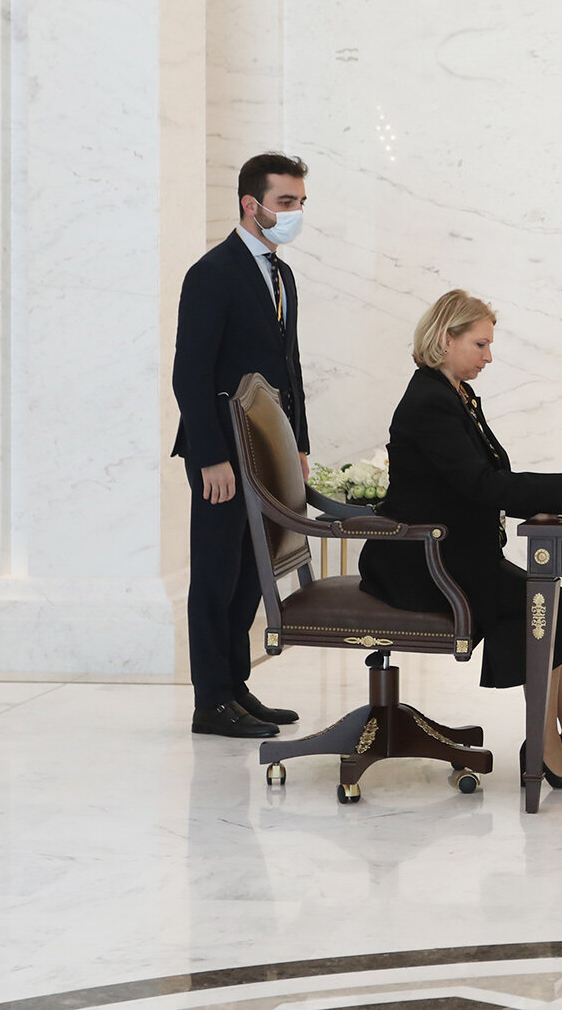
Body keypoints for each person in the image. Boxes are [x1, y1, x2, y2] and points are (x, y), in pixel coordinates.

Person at [358, 290, 562, 790]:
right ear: (446, 338)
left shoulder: (455, 394)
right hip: (420, 563)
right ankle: (546, 747)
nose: (489, 356)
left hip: (452, 553)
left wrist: (542, 499)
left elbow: (481, 478)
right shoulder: (429, 402)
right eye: (480, 344)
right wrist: (561, 486)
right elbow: (479, 484)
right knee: (542, 605)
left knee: (556, 604)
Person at [171, 152, 313, 738]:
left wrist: (298, 444)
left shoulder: (282, 275)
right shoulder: (213, 273)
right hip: (222, 452)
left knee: (254, 571)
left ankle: (235, 685)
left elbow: (289, 366)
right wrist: (210, 457)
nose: (295, 212)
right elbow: (190, 374)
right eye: (285, 202)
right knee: (216, 574)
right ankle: (211, 700)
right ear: (250, 204)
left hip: (268, 451)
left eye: (300, 202)